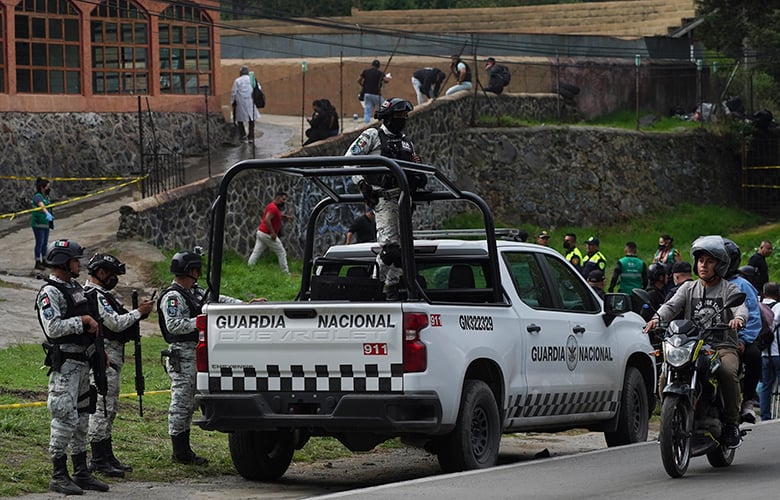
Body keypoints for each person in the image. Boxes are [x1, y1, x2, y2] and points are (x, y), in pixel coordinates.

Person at [644, 235, 748, 448]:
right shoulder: (688, 288)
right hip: (692, 345)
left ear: (720, 265)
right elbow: (671, 306)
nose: (703, 266)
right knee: (665, 375)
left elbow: (741, 307)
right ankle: (671, 420)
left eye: (709, 261)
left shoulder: (729, 289)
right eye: (701, 261)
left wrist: (739, 318)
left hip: (722, 346)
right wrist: (656, 319)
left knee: (727, 372)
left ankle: (731, 423)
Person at [158, 250, 251, 465]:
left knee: (192, 401)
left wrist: (244, 307)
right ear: (191, 270)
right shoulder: (173, 297)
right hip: (183, 353)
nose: (199, 273)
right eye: (196, 270)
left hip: (198, 352)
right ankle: (180, 451)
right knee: (182, 402)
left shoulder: (196, 291)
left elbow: (219, 301)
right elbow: (174, 325)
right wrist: (202, 321)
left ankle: (184, 449)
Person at [35, 239, 110, 494]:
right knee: (64, 418)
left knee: (82, 420)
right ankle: (58, 474)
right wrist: (82, 321)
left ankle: (81, 471)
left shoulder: (75, 288)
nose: (80, 264)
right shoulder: (50, 292)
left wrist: (98, 354)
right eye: (76, 260)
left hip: (83, 364)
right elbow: (52, 328)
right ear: (64, 262)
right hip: (65, 367)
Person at [84, 253, 154, 478]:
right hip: (103, 358)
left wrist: (136, 315)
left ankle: (107, 454)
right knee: (102, 408)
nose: (116, 279)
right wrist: (138, 313)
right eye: (113, 274)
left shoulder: (104, 294)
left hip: (113, 358)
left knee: (110, 408)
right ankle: (98, 458)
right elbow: (114, 323)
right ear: (101, 273)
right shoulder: (94, 295)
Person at [345, 97, 421, 300]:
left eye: (405, 115)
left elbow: (416, 167)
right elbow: (349, 160)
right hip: (384, 199)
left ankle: (391, 287)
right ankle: (373, 283)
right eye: (398, 116)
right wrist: (362, 184)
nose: (402, 119)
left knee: (405, 250)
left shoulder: (406, 142)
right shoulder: (373, 135)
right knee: (390, 249)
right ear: (387, 118)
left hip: (405, 200)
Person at [723, 238, 762, 424]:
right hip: (707, 339)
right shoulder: (699, 285)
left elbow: (753, 316)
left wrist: (743, 340)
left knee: (754, 356)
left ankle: (748, 400)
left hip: (736, 339)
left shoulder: (742, 285)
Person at [248, 191, 290, 274]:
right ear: (278, 198)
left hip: (261, 232)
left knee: (256, 252)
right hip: (267, 234)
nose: (284, 202)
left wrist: (285, 217)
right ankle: (285, 273)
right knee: (281, 252)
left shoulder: (273, 207)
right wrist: (273, 233)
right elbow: (267, 220)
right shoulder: (273, 208)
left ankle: (249, 267)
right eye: (283, 199)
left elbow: (275, 216)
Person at [759, 282, 780, 421]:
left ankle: (765, 415)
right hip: (778, 352)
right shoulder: (779, 307)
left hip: (764, 353)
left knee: (765, 385)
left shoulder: (758, 307)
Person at [231, 65, 260, 143]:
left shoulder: (237, 81)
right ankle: (251, 136)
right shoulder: (252, 79)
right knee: (251, 119)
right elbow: (258, 88)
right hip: (251, 101)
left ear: (240, 73)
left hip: (241, 102)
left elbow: (234, 92)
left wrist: (232, 101)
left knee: (239, 119)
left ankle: (243, 135)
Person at [32, 177, 54, 270]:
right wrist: (47, 213)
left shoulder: (46, 197)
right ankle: (38, 262)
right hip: (38, 224)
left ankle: (44, 260)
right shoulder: (38, 197)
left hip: (45, 224)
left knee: (45, 243)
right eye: (47, 187)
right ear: (42, 187)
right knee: (39, 243)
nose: (49, 188)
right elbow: (42, 206)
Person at [358, 59, 390, 124]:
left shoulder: (366, 72)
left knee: (367, 110)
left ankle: (366, 124)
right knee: (384, 106)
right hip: (376, 94)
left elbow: (358, 80)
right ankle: (384, 121)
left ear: (372, 65)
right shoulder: (380, 73)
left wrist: (363, 86)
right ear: (378, 66)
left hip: (367, 94)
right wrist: (388, 77)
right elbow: (386, 81)